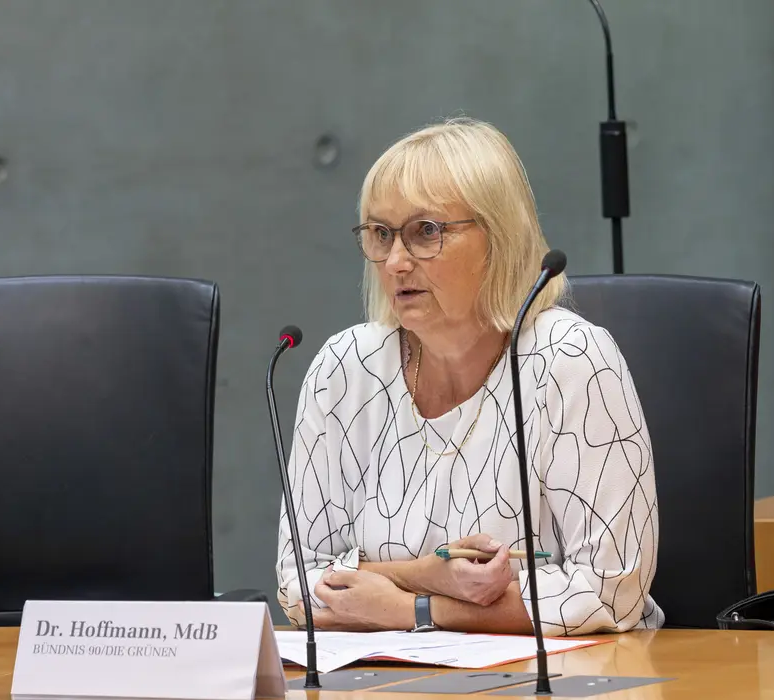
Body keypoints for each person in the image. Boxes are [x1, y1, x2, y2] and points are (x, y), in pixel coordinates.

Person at [275, 117, 662, 636]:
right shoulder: (347, 368)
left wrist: (406, 609)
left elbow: (610, 593)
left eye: (425, 232)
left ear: (499, 238)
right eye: (381, 234)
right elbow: (298, 584)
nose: (395, 262)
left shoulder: (570, 359)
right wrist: (424, 574)